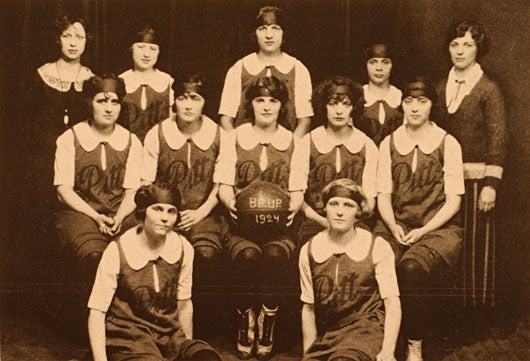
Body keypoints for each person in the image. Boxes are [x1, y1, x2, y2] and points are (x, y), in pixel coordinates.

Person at [374, 77, 465, 361]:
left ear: (432, 105)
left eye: (422, 102)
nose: (414, 108)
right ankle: (380, 340)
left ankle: (414, 343)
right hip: (395, 224)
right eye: (409, 101)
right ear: (402, 104)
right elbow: (383, 196)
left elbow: (454, 201)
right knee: (376, 258)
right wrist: (393, 226)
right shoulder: (389, 143)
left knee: (411, 268)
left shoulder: (448, 143)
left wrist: (423, 229)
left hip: (439, 228)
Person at [217, 76, 306, 360]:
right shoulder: (234, 137)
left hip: (280, 226)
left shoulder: (294, 141)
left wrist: (292, 206)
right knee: (247, 258)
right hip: (240, 224)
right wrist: (231, 201)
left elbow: (298, 188)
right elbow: (223, 184)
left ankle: (268, 319)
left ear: (283, 106)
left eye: (273, 100)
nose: (266, 107)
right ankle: (245, 318)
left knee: (275, 258)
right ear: (250, 104)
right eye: (259, 100)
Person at [87, 183, 221, 361]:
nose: (165, 218)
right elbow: (97, 312)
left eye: (171, 211)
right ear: (143, 212)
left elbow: (184, 304)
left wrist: (186, 349)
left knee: (207, 358)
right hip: (129, 337)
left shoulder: (183, 247)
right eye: (158, 209)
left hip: (169, 335)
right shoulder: (118, 249)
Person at [436, 19, 507, 307]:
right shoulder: (441, 86)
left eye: (468, 44)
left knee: (476, 247)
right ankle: (449, 312)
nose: (460, 51)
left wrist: (491, 185)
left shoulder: (488, 88)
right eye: (455, 44)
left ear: (479, 48)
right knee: (448, 244)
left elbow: (498, 138)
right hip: (444, 182)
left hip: (477, 182)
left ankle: (475, 313)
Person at [54, 74, 142, 286]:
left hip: (121, 212)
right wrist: (96, 217)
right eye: (101, 101)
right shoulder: (70, 138)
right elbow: (63, 190)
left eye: (115, 102)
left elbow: (132, 191)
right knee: (94, 254)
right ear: (90, 104)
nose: (109, 108)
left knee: (137, 249)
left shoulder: (131, 140)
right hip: (80, 213)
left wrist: (119, 217)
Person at [142, 73, 228, 290]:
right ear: (174, 101)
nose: (188, 106)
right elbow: (146, 183)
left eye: (195, 99)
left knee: (206, 254)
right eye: (183, 98)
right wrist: (165, 214)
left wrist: (200, 213)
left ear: (204, 102)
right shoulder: (157, 133)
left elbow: (220, 184)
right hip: (164, 212)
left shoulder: (219, 135)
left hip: (203, 214)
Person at [300, 179, 401, 361]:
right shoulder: (310, 249)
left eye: (348, 205)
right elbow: (309, 308)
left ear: (358, 212)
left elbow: (392, 304)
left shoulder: (376, 246)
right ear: (324, 208)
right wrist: (307, 354)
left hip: (366, 330)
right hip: (330, 333)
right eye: (333, 204)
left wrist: (388, 351)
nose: (339, 212)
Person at [25, 15, 95, 237]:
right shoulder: (40, 75)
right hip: (43, 160)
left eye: (79, 37)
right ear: (58, 39)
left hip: (78, 160)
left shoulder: (92, 80)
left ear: (86, 41)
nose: (73, 43)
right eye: (67, 36)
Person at [298, 76, 378, 246]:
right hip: (315, 220)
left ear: (353, 108)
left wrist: (348, 222)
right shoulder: (308, 142)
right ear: (323, 106)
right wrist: (324, 222)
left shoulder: (366, 145)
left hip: (355, 221)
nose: (339, 111)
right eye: (333, 104)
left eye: (346, 104)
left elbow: (370, 200)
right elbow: (297, 195)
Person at [218, 5, 313, 137]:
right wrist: (238, 147)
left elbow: (305, 121)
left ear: (283, 32)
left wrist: (291, 148)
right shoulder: (239, 68)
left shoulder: (298, 69)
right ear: (254, 33)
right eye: (263, 29)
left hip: (285, 151)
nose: (269, 35)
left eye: (275, 28)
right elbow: (226, 119)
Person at [120, 26, 174, 142]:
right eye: (140, 47)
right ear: (131, 48)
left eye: (153, 49)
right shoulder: (120, 80)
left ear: (159, 52)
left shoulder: (168, 81)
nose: (146, 54)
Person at [356, 42, 403, 146]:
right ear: (365, 65)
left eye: (385, 62)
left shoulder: (400, 97)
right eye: (373, 62)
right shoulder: (357, 96)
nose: (379, 68)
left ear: (392, 65)